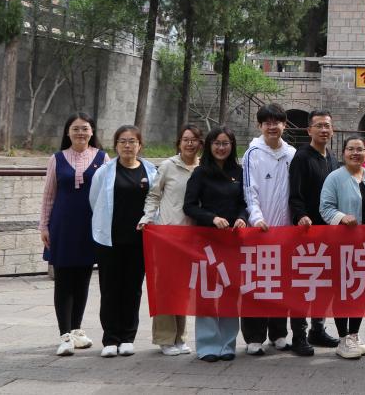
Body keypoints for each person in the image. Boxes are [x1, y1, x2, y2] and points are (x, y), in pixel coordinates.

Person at [39, 112, 107, 356]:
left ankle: (77, 330)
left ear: (92, 131)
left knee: (83, 279)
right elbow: (48, 195)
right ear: (68, 132)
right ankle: (65, 335)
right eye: (76, 128)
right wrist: (44, 226)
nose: (80, 133)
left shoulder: (102, 158)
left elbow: (107, 194)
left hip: (89, 226)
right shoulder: (57, 159)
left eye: (85, 128)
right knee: (63, 280)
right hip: (62, 226)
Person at [89, 125, 158, 357]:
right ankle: (110, 338)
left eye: (132, 141)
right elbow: (94, 200)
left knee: (133, 289)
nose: (127, 146)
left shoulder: (150, 171)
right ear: (116, 145)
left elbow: (155, 202)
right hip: (109, 241)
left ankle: (128, 337)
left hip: (139, 241)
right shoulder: (105, 172)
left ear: (140, 145)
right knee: (110, 289)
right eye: (122, 141)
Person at [183, 127, 248, 362]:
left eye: (225, 143)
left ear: (232, 146)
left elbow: (245, 202)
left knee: (230, 292)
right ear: (209, 146)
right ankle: (208, 345)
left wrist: (242, 217)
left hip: (233, 241)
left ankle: (228, 344)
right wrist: (211, 218)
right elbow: (189, 206)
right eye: (217, 143)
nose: (221, 148)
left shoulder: (239, 172)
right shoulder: (200, 173)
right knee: (208, 292)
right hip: (207, 241)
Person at [137, 124, 202, 356]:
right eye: (185, 139)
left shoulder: (203, 168)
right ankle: (165, 338)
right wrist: (147, 217)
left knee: (183, 289)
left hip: (192, 237)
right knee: (165, 287)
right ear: (179, 142)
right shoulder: (168, 166)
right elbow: (154, 195)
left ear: (200, 143)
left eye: (194, 140)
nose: (189, 144)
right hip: (167, 235)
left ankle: (180, 337)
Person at [241, 103, 297, 356]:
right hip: (260, 230)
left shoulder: (291, 154)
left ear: (284, 125)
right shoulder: (252, 153)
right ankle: (254, 337)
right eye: (267, 123)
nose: (272, 127)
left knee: (281, 284)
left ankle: (279, 333)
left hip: (285, 231)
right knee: (256, 283)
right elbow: (249, 190)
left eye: (277, 122)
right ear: (260, 125)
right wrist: (256, 218)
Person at [287, 109, 340, 355]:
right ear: (309, 130)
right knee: (303, 285)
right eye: (318, 125)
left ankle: (317, 329)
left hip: (329, 232)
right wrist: (300, 215)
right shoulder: (301, 157)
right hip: (307, 232)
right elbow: (294, 194)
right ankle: (299, 335)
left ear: (333, 130)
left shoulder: (332, 158)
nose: (323, 130)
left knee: (325, 283)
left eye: (327, 125)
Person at [319, 136, 365, 359]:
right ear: (343, 153)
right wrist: (341, 217)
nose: (355, 153)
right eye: (351, 149)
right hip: (342, 245)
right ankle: (343, 338)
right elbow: (325, 208)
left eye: (360, 149)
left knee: (360, 290)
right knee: (343, 291)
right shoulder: (334, 178)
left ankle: (354, 334)